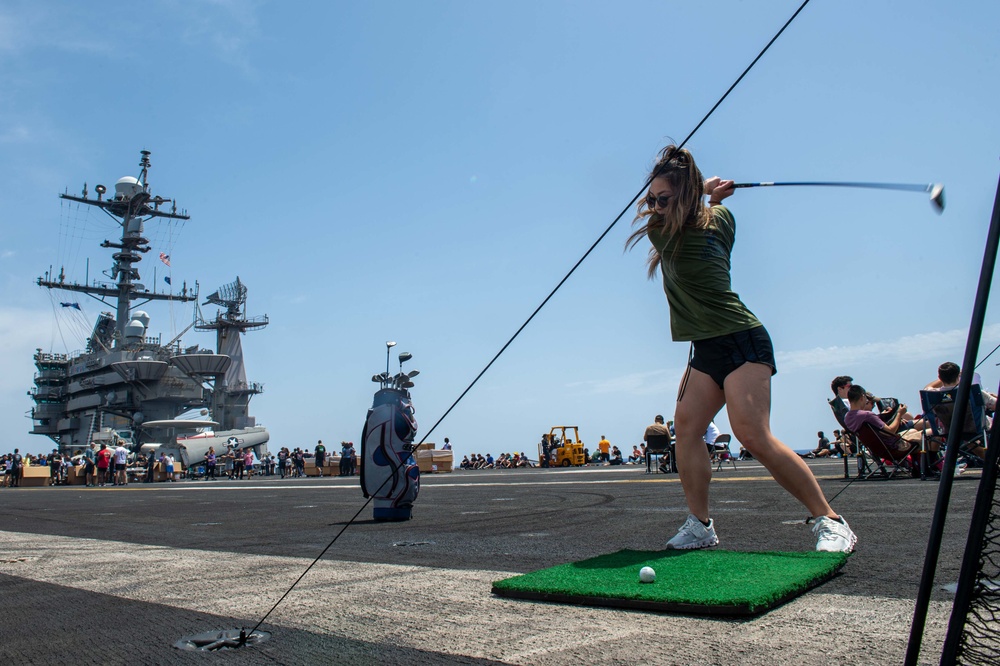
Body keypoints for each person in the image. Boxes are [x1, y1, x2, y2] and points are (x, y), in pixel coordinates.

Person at [625, 145, 856, 553]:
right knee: (688, 432)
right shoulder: (723, 219)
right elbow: (707, 211)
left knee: (752, 435)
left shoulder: (667, 232)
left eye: (663, 198)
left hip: (741, 338)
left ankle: (831, 520)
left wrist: (703, 195)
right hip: (706, 347)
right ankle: (700, 525)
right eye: (651, 199)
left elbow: (682, 218)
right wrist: (710, 198)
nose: (655, 206)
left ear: (683, 196)